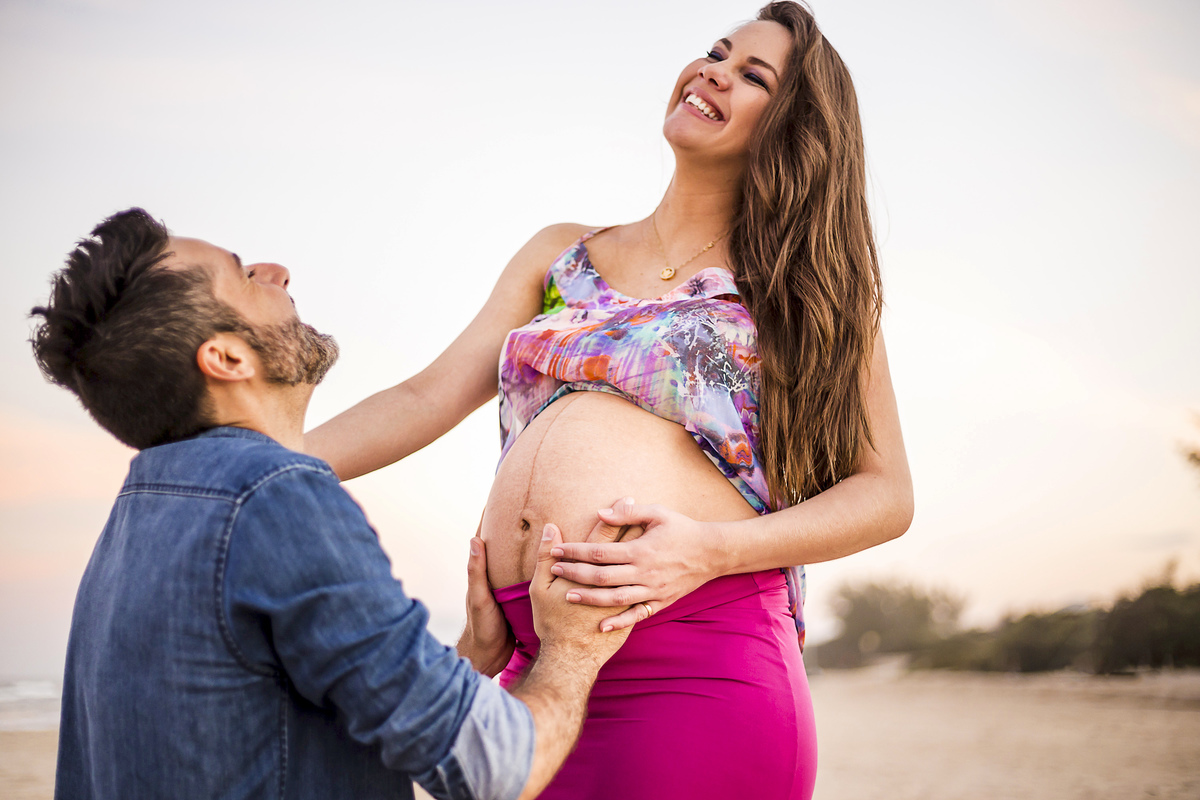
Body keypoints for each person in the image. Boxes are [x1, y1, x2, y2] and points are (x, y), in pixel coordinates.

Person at [307, 3, 913, 798]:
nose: (715, 71)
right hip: (534, 661)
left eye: (752, 75)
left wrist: (708, 549)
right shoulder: (562, 253)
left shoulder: (807, 293)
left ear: (793, 129)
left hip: (700, 658)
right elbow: (425, 395)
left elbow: (885, 494)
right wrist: (254, 470)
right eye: (716, 52)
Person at [29, 208, 631, 800]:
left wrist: (466, 661)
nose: (276, 270)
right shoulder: (277, 497)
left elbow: (270, 719)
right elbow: (497, 768)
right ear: (228, 359)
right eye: (243, 274)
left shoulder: (139, 510)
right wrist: (572, 648)